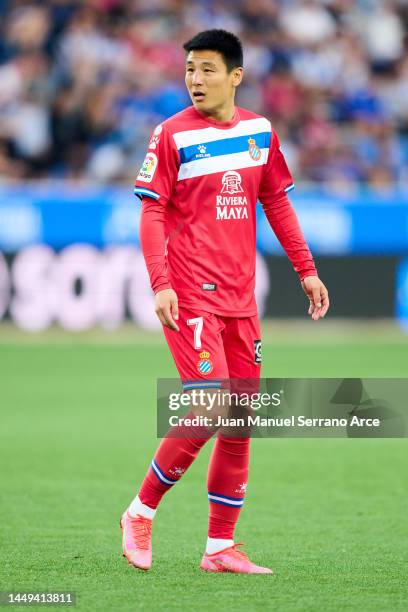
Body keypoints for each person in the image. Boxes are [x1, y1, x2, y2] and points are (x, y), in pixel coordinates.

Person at [122, 29, 329, 574]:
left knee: (239, 419)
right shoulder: (170, 135)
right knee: (210, 402)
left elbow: (277, 205)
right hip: (190, 291)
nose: (196, 78)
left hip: (241, 298)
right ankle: (140, 512)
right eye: (190, 68)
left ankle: (219, 547)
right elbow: (151, 213)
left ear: (235, 75)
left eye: (208, 69)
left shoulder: (260, 131)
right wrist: (160, 282)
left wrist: (306, 271)